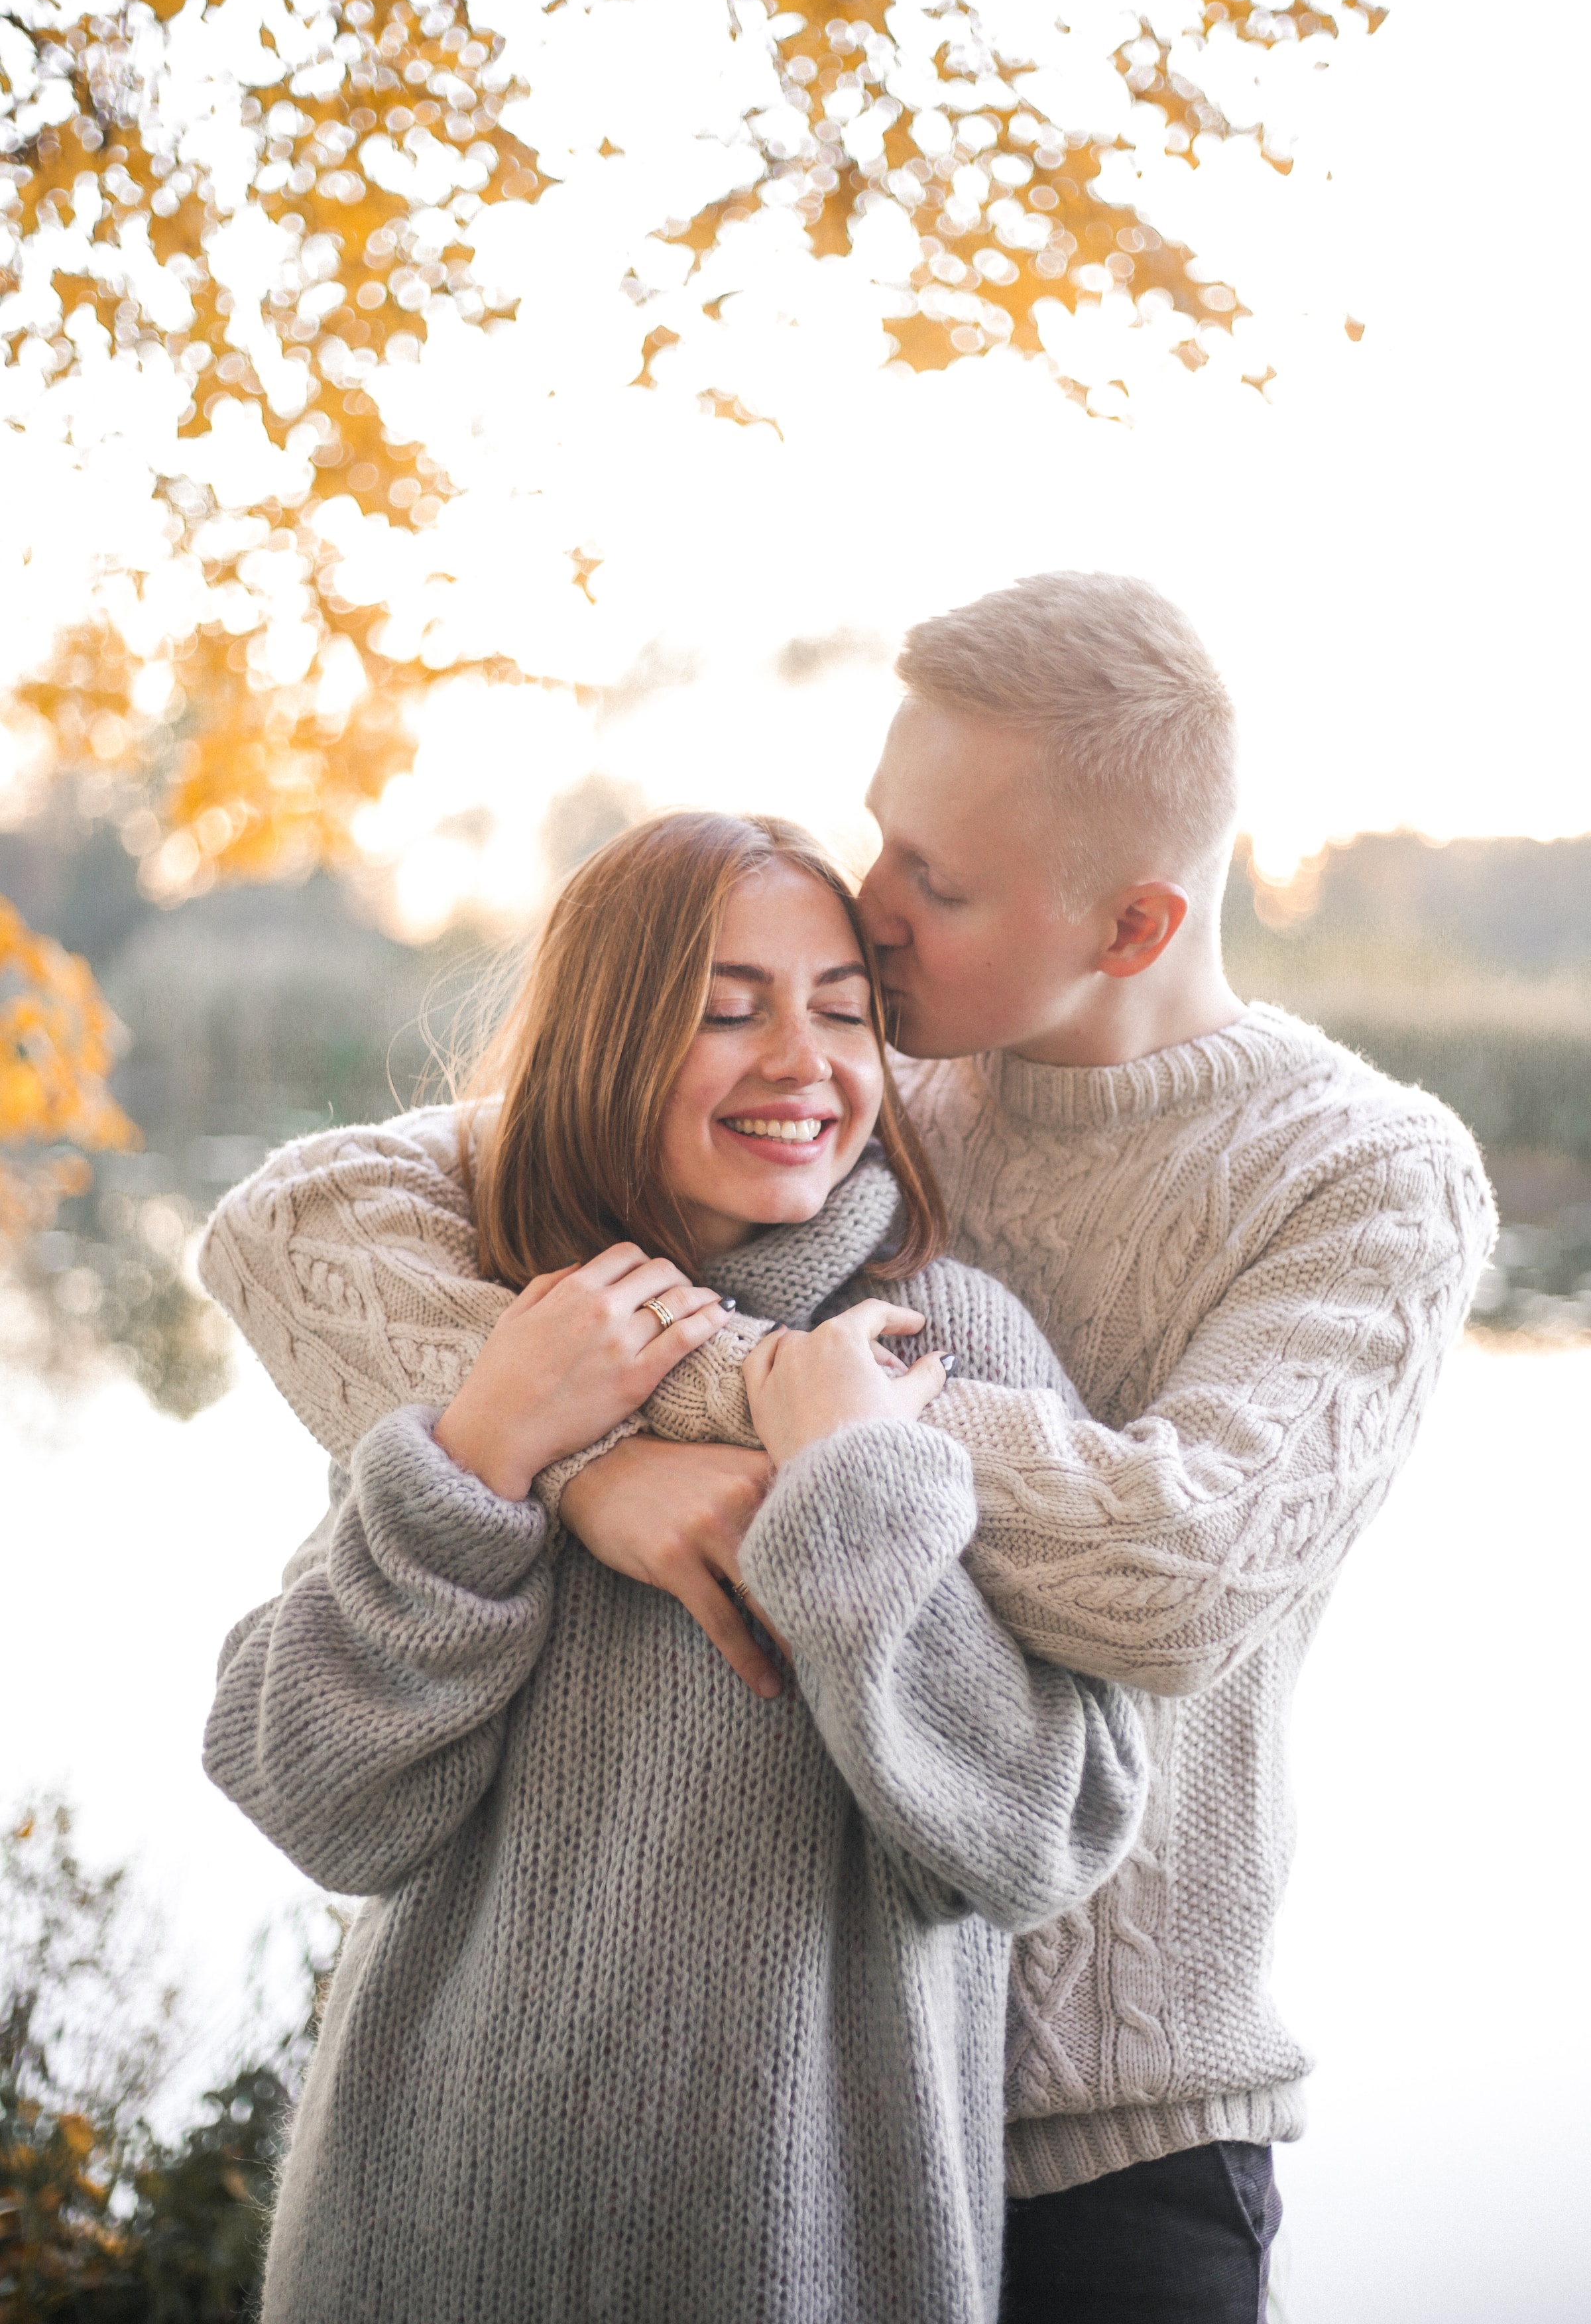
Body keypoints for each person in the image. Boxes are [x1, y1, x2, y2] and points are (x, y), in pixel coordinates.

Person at [202, 573, 1496, 2324]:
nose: (870, 921)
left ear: (1128, 928)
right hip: (727, 2102)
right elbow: (307, 1223)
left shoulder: (1365, 1174)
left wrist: (802, 1422)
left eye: (933, 887)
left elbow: (1178, 1574)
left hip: (1107, 2133)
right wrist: (576, 1462)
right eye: (885, 842)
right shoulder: (849, 1086)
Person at [201, 811, 1148, 2324]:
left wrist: (851, 1487)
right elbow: (313, 1795)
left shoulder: (948, 1353)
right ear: (602, 1045)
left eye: (844, 1009)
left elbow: (1036, 1837)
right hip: (426, 2249)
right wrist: (493, 1460)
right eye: (727, 1010)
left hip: (809, 2259)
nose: (800, 1058)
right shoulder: (493, 1335)